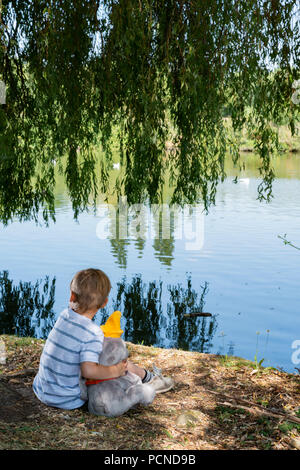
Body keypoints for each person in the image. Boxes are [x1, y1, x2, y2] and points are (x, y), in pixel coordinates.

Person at [33, 268, 174, 410]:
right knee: (113, 360)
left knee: (105, 353)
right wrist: (115, 371)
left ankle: (146, 377)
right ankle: (147, 379)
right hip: (68, 400)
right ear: (104, 303)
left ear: (72, 296)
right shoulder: (92, 332)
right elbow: (88, 371)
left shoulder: (64, 316)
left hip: (42, 390)